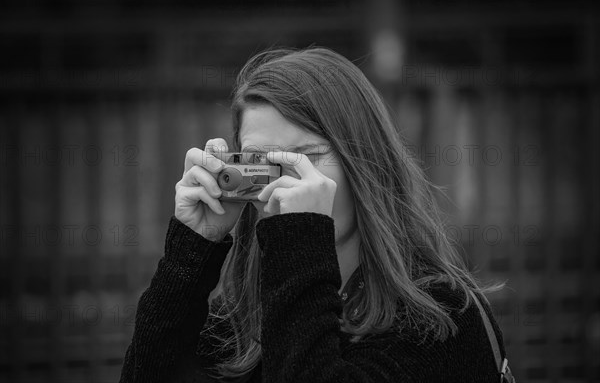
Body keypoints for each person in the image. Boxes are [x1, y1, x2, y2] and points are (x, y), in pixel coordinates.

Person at [119, 47, 510, 382]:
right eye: (261, 162)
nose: (287, 181)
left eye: (306, 157)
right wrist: (191, 251)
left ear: (365, 163)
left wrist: (301, 237)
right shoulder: (238, 321)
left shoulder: (439, 317)